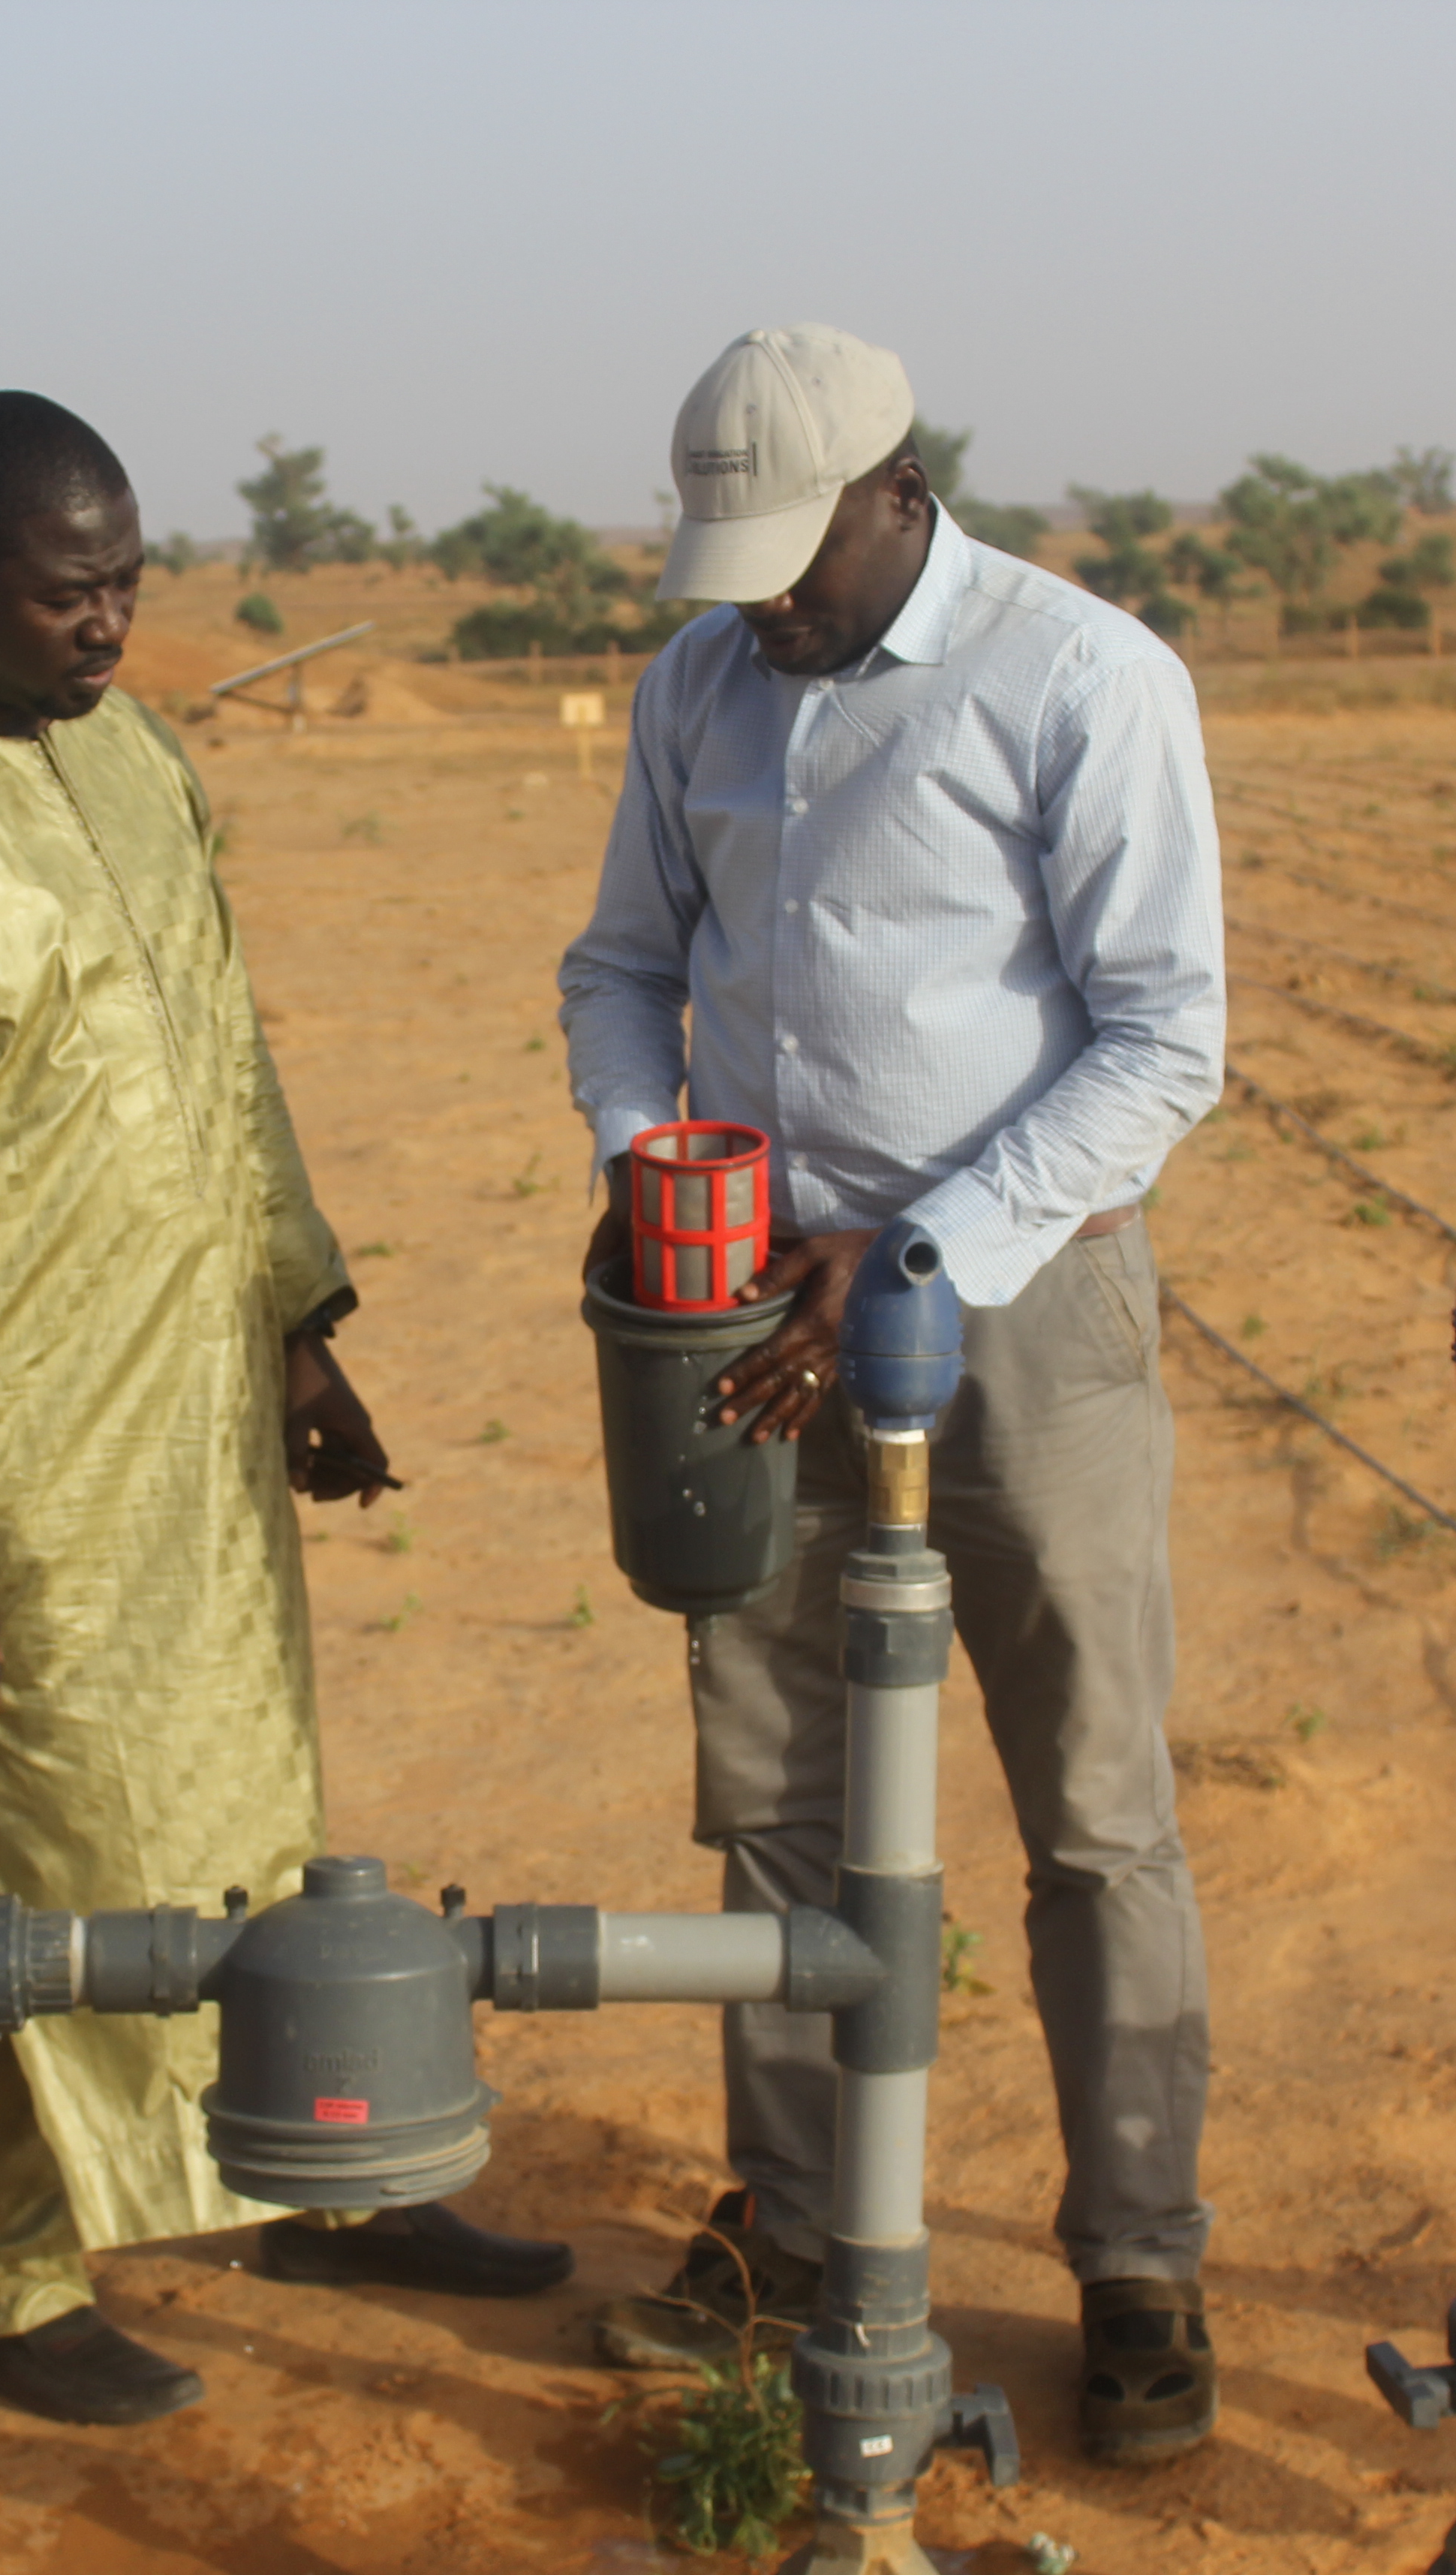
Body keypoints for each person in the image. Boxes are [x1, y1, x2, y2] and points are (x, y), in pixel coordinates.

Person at [0, 390, 570, 2429]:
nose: (107, 627)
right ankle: (4, 2279)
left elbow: (223, 1050)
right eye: (64, 594)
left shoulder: (138, 754)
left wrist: (293, 1319)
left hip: (188, 1405)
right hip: (6, 1451)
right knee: (6, 1848)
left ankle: (314, 2166)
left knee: (253, 1800)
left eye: (125, 586)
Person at [559, 325, 1229, 2465]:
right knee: (775, 1790)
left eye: (796, 554)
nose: (766, 600)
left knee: (1091, 1802)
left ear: (896, 489)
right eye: (730, 561)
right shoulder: (698, 691)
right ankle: (799, 2226)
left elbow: (1161, 1039)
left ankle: (1137, 2261)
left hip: (1023, 1310)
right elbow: (623, 970)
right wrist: (644, 1160)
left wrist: (920, 1251)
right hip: (753, 1319)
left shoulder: (1077, 676)